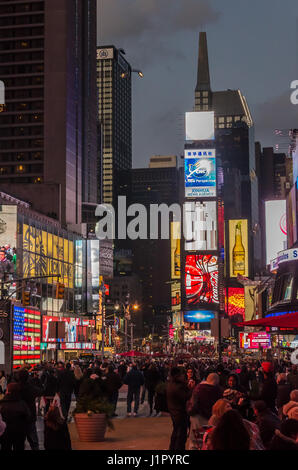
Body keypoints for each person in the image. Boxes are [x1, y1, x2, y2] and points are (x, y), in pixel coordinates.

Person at [15, 367, 43, 451]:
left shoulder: (15, 388)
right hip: (30, 416)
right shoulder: (30, 387)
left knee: (19, 443)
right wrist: (37, 380)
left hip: (18, 417)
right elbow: (41, 391)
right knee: (34, 442)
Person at [166, 367, 192, 451]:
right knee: (180, 435)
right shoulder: (177, 386)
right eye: (181, 374)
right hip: (179, 412)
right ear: (177, 375)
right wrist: (190, 388)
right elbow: (185, 397)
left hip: (174, 411)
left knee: (176, 432)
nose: (183, 376)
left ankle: (172, 448)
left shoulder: (171, 384)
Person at [0, 383, 31, 451]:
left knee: (5, 447)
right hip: (20, 433)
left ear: (8, 391)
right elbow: (28, 418)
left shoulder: (2, 404)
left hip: (5, 433)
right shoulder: (22, 404)